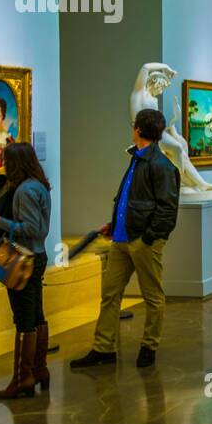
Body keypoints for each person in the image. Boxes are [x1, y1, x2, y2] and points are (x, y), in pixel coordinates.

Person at [72, 108, 180, 369]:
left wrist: (149, 238)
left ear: (140, 130)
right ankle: (103, 348)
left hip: (142, 241)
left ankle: (149, 346)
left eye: (134, 125)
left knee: (152, 296)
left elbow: (167, 209)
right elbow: (131, 198)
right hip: (121, 238)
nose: (131, 128)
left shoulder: (161, 165)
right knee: (110, 294)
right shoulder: (137, 158)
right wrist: (114, 223)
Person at [0, 143, 52, 399]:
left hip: (24, 258)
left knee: (24, 319)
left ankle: (23, 378)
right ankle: (39, 370)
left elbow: (33, 228)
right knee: (36, 315)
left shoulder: (26, 190)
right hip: (36, 256)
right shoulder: (36, 185)